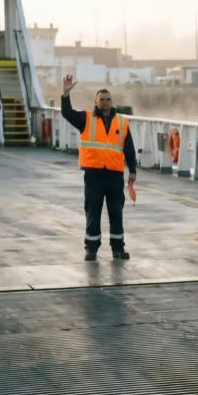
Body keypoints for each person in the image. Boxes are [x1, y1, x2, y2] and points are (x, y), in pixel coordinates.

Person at [60, 75, 137, 260]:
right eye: (102, 100)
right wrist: (65, 93)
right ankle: (91, 248)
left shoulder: (121, 122)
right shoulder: (85, 119)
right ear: (96, 102)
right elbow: (67, 113)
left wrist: (132, 170)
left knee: (116, 213)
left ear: (112, 102)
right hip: (94, 175)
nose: (105, 102)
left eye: (108, 100)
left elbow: (129, 148)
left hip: (114, 175)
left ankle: (118, 248)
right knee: (93, 212)